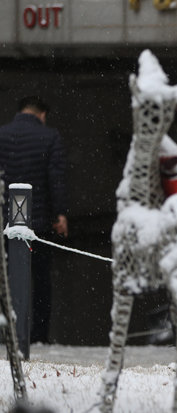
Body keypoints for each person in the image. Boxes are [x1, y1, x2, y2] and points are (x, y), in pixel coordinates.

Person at [0, 96, 68, 343]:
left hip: (4, 220)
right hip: (38, 223)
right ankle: (38, 336)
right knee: (40, 282)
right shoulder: (50, 137)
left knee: (4, 280)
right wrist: (59, 214)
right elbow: (56, 179)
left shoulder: (2, 135)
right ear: (42, 114)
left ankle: (7, 334)